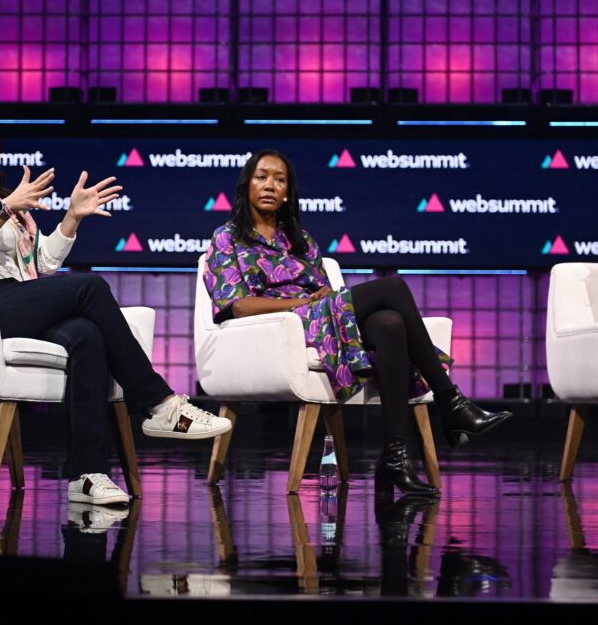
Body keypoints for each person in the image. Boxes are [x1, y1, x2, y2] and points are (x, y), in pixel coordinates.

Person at [0, 102, 231, 506]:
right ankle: (158, 403)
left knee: (86, 335)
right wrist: (6, 209)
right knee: (89, 286)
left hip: (11, 302)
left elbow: (41, 263)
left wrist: (71, 218)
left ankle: (86, 475)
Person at [202, 150, 512, 497]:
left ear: (288, 191)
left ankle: (396, 457)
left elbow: (326, 294)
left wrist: (319, 296)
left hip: (320, 320)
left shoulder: (302, 242)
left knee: (391, 323)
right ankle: (451, 403)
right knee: (392, 287)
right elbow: (238, 305)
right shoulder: (227, 238)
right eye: (261, 177)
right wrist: (301, 302)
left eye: (279, 179)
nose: (270, 185)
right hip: (278, 326)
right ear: (247, 185)